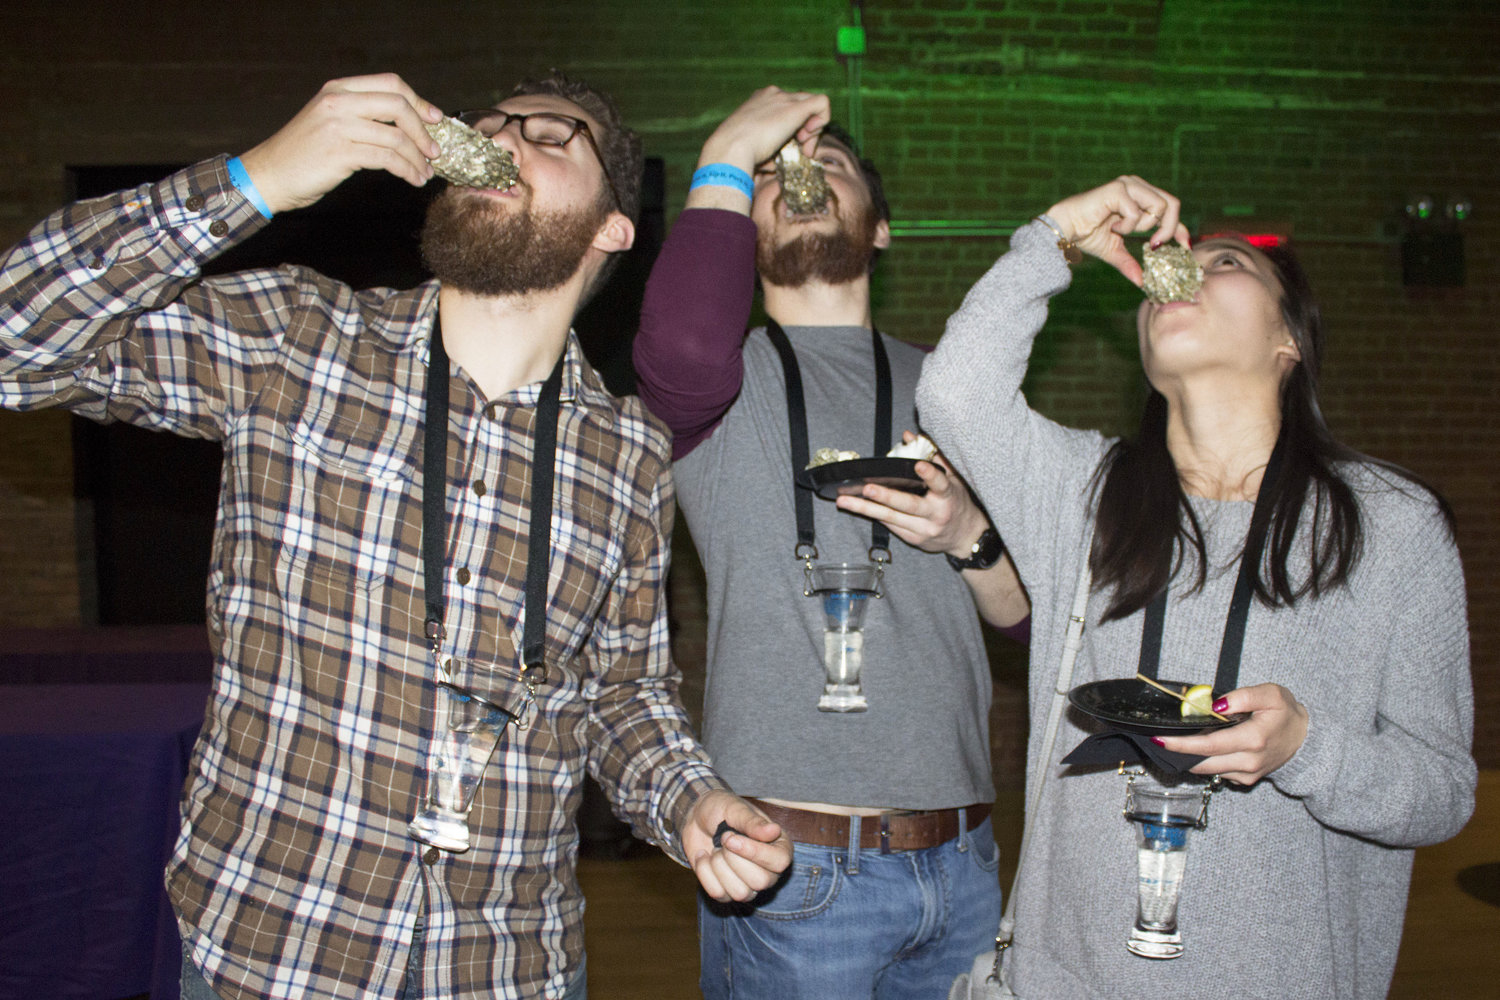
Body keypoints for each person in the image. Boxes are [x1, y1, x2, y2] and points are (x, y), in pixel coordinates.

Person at [0, 71, 791, 1000]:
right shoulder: (297, 339)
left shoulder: (629, 453)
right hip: (276, 952)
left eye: (552, 135)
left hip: (510, 965)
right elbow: (17, 342)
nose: (504, 139)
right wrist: (254, 180)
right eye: (490, 124)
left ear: (612, 227)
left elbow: (621, 694)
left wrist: (690, 799)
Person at [916, 176, 1476, 998]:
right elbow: (954, 393)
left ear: (1290, 339)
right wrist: (1058, 236)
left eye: (1226, 263)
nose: (1177, 270)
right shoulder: (1084, 492)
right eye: (1174, 265)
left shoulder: (1391, 526)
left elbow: (1442, 794)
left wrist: (1305, 748)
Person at [632, 87, 1030, 999]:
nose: (800, 176)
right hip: (793, 868)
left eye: (829, 167)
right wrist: (728, 155)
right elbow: (685, 345)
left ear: (881, 230)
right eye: (772, 177)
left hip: (962, 863)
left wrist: (969, 535)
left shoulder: (956, 393)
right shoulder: (716, 386)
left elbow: (1036, 623)